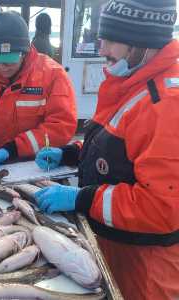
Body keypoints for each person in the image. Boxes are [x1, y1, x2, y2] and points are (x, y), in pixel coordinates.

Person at [34, 1, 179, 299]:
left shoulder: (166, 104)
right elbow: (118, 143)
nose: (102, 49)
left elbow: (161, 207)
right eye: (101, 38)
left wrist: (82, 198)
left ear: (142, 43)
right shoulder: (131, 81)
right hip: (114, 246)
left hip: (144, 267)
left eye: (111, 40)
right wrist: (72, 153)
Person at [0, 8, 77, 173]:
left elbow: (61, 126)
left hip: (40, 165)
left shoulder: (53, 75)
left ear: (24, 53)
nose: (2, 67)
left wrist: (13, 148)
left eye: (9, 62)